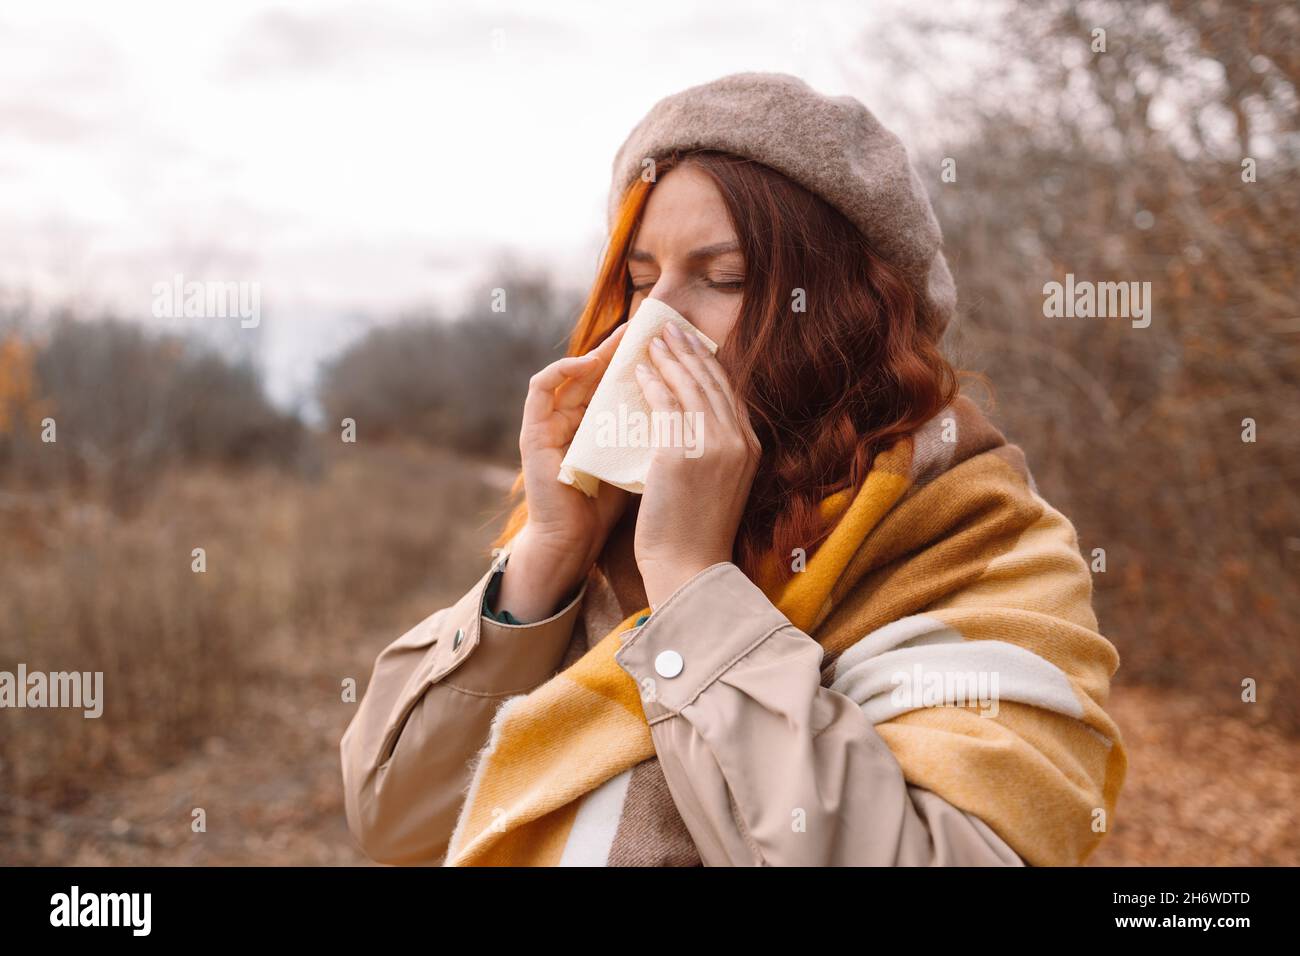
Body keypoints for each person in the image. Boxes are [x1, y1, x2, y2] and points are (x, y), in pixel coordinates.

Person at [339, 72, 1127, 867]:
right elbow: (393, 822)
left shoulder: (981, 546)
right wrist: (548, 555)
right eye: (642, 282)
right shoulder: (612, 523)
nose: (658, 320)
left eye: (726, 279)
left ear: (856, 311)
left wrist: (690, 584)